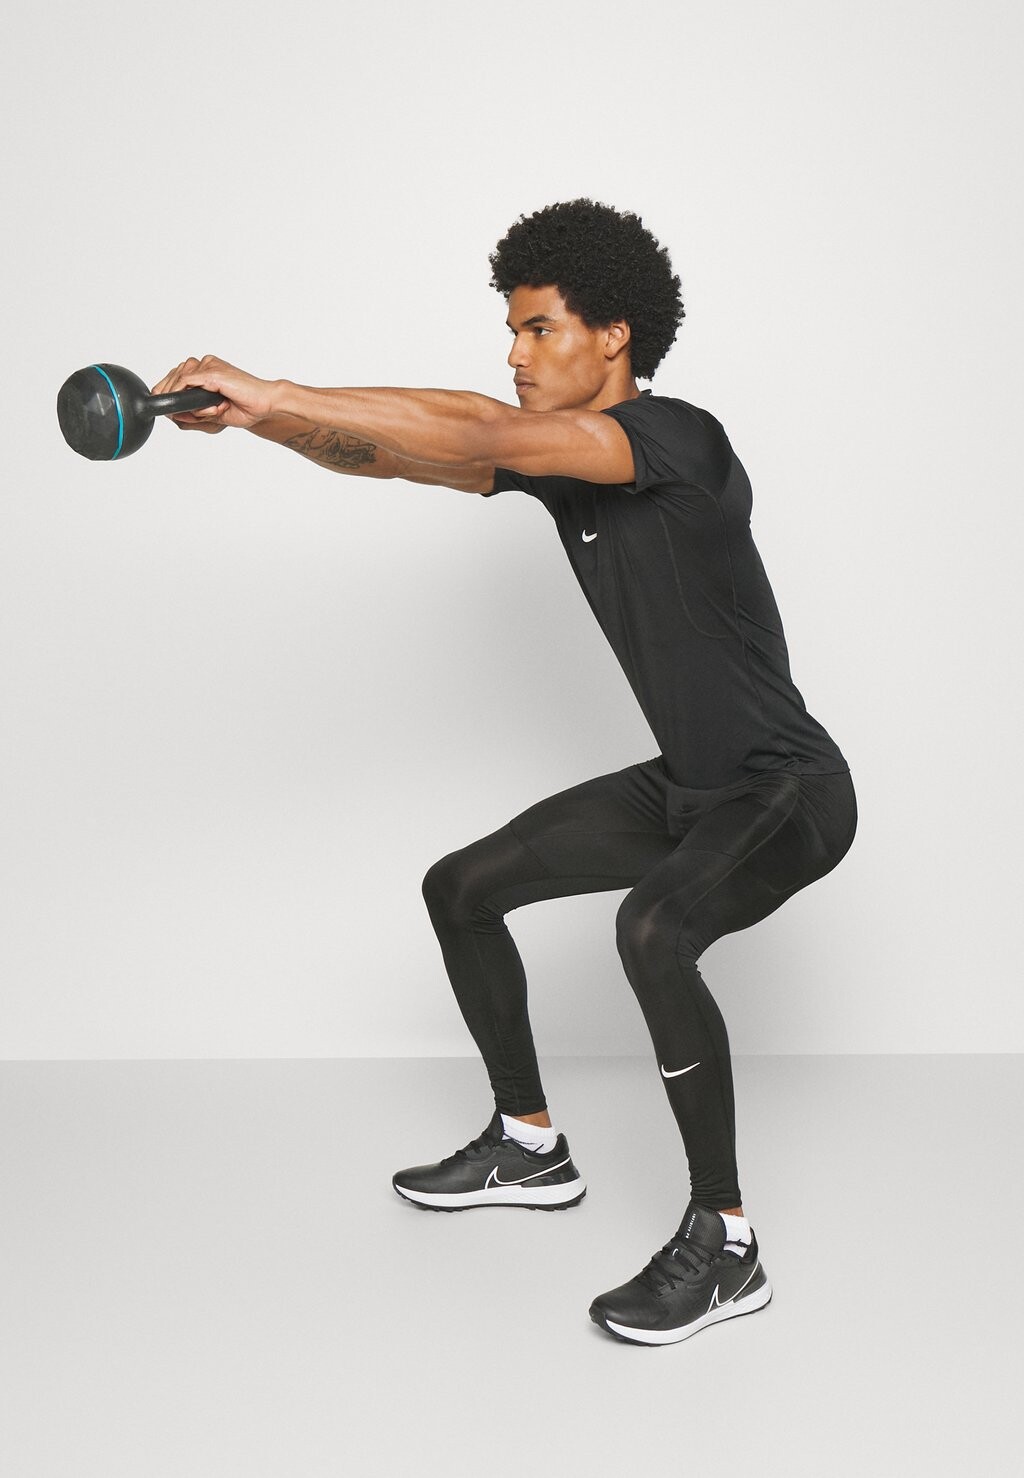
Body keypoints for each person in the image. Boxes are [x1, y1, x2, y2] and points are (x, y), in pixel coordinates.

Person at [155, 198, 857, 1346]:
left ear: (613, 335)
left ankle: (726, 1242)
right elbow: (399, 450)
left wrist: (275, 386)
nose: (516, 353)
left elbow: (477, 424)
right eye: (512, 331)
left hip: (787, 789)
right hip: (688, 785)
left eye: (539, 328)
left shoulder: (677, 438)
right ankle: (529, 1144)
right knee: (462, 886)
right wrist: (260, 423)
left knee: (652, 929)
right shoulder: (566, 472)